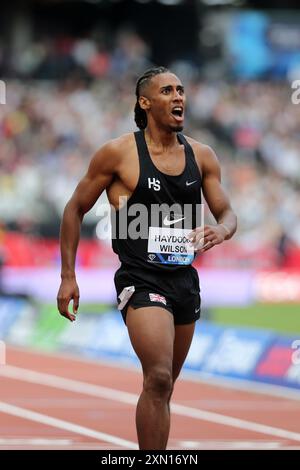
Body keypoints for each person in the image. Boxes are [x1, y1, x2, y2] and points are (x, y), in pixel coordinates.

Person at [57, 66, 237, 450]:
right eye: (168, 90)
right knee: (157, 377)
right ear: (145, 102)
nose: (179, 97)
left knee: (165, 385)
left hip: (184, 281)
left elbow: (228, 213)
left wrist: (221, 230)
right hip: (140, 279)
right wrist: (68, 276)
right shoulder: (118, 154)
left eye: (181, 90)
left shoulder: (202, 156)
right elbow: (74, 209)